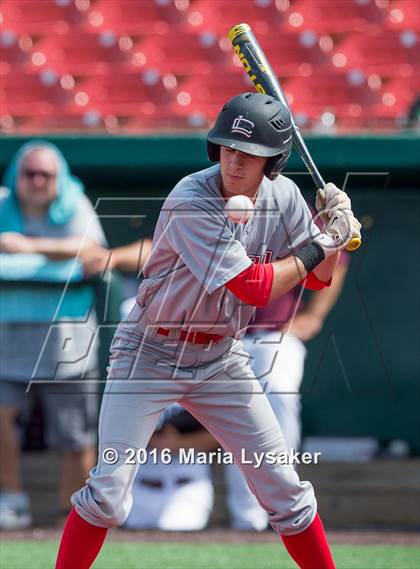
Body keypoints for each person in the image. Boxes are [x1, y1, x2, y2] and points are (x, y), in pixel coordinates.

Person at [55, 93, 361, 569]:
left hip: (220, 357)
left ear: (273, 161)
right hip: (149, 352)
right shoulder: (191, 197)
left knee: (287, 491)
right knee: (108, 496)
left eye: (249, 152)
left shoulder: (282, 196)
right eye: (226, 148)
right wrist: (323, 243)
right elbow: (253, 287)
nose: (234, 161)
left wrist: (331, 232)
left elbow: (319, 276)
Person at [0, 141, 107, 529]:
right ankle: (11, 501)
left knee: (75, 434)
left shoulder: (75, 204)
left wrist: (28, 248)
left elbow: (92, 252)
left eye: (47, 174)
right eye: (31, 173)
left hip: (67, 344)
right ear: (18, 177)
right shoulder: (2, 204)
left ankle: (76, 512)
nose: (39, 181)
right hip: (7, 339)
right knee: (2, 423)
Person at [226, 256, 349, 530]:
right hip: (226, 334)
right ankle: (247, 522)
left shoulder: (293, 213)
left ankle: (283, 507)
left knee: (280, 398)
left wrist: (314, 315)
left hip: (276, 334)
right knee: (234, 419)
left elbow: (335, 257)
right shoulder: (212, 214)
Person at [124, 403, 217, 531]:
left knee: (179, 539)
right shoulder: (130, 386)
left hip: (186, 486)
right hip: (141, 486)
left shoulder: (204, 387)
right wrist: (151, 437)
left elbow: (220, 436)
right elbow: (116, 430)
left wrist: (178, 443)